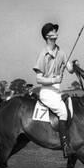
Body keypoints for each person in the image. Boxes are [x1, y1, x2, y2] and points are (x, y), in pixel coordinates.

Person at [33, 22, 77, 158]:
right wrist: (54, 80)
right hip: (47, 91)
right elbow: (38, 79)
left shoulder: (61, 52)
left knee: (71, 107)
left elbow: (70, 69)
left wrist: (74, 66)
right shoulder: (43, 54)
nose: (56, 31)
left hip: (58, 91)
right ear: (47, 36)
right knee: (63, 112)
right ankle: (65, 147)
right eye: (53, 30)